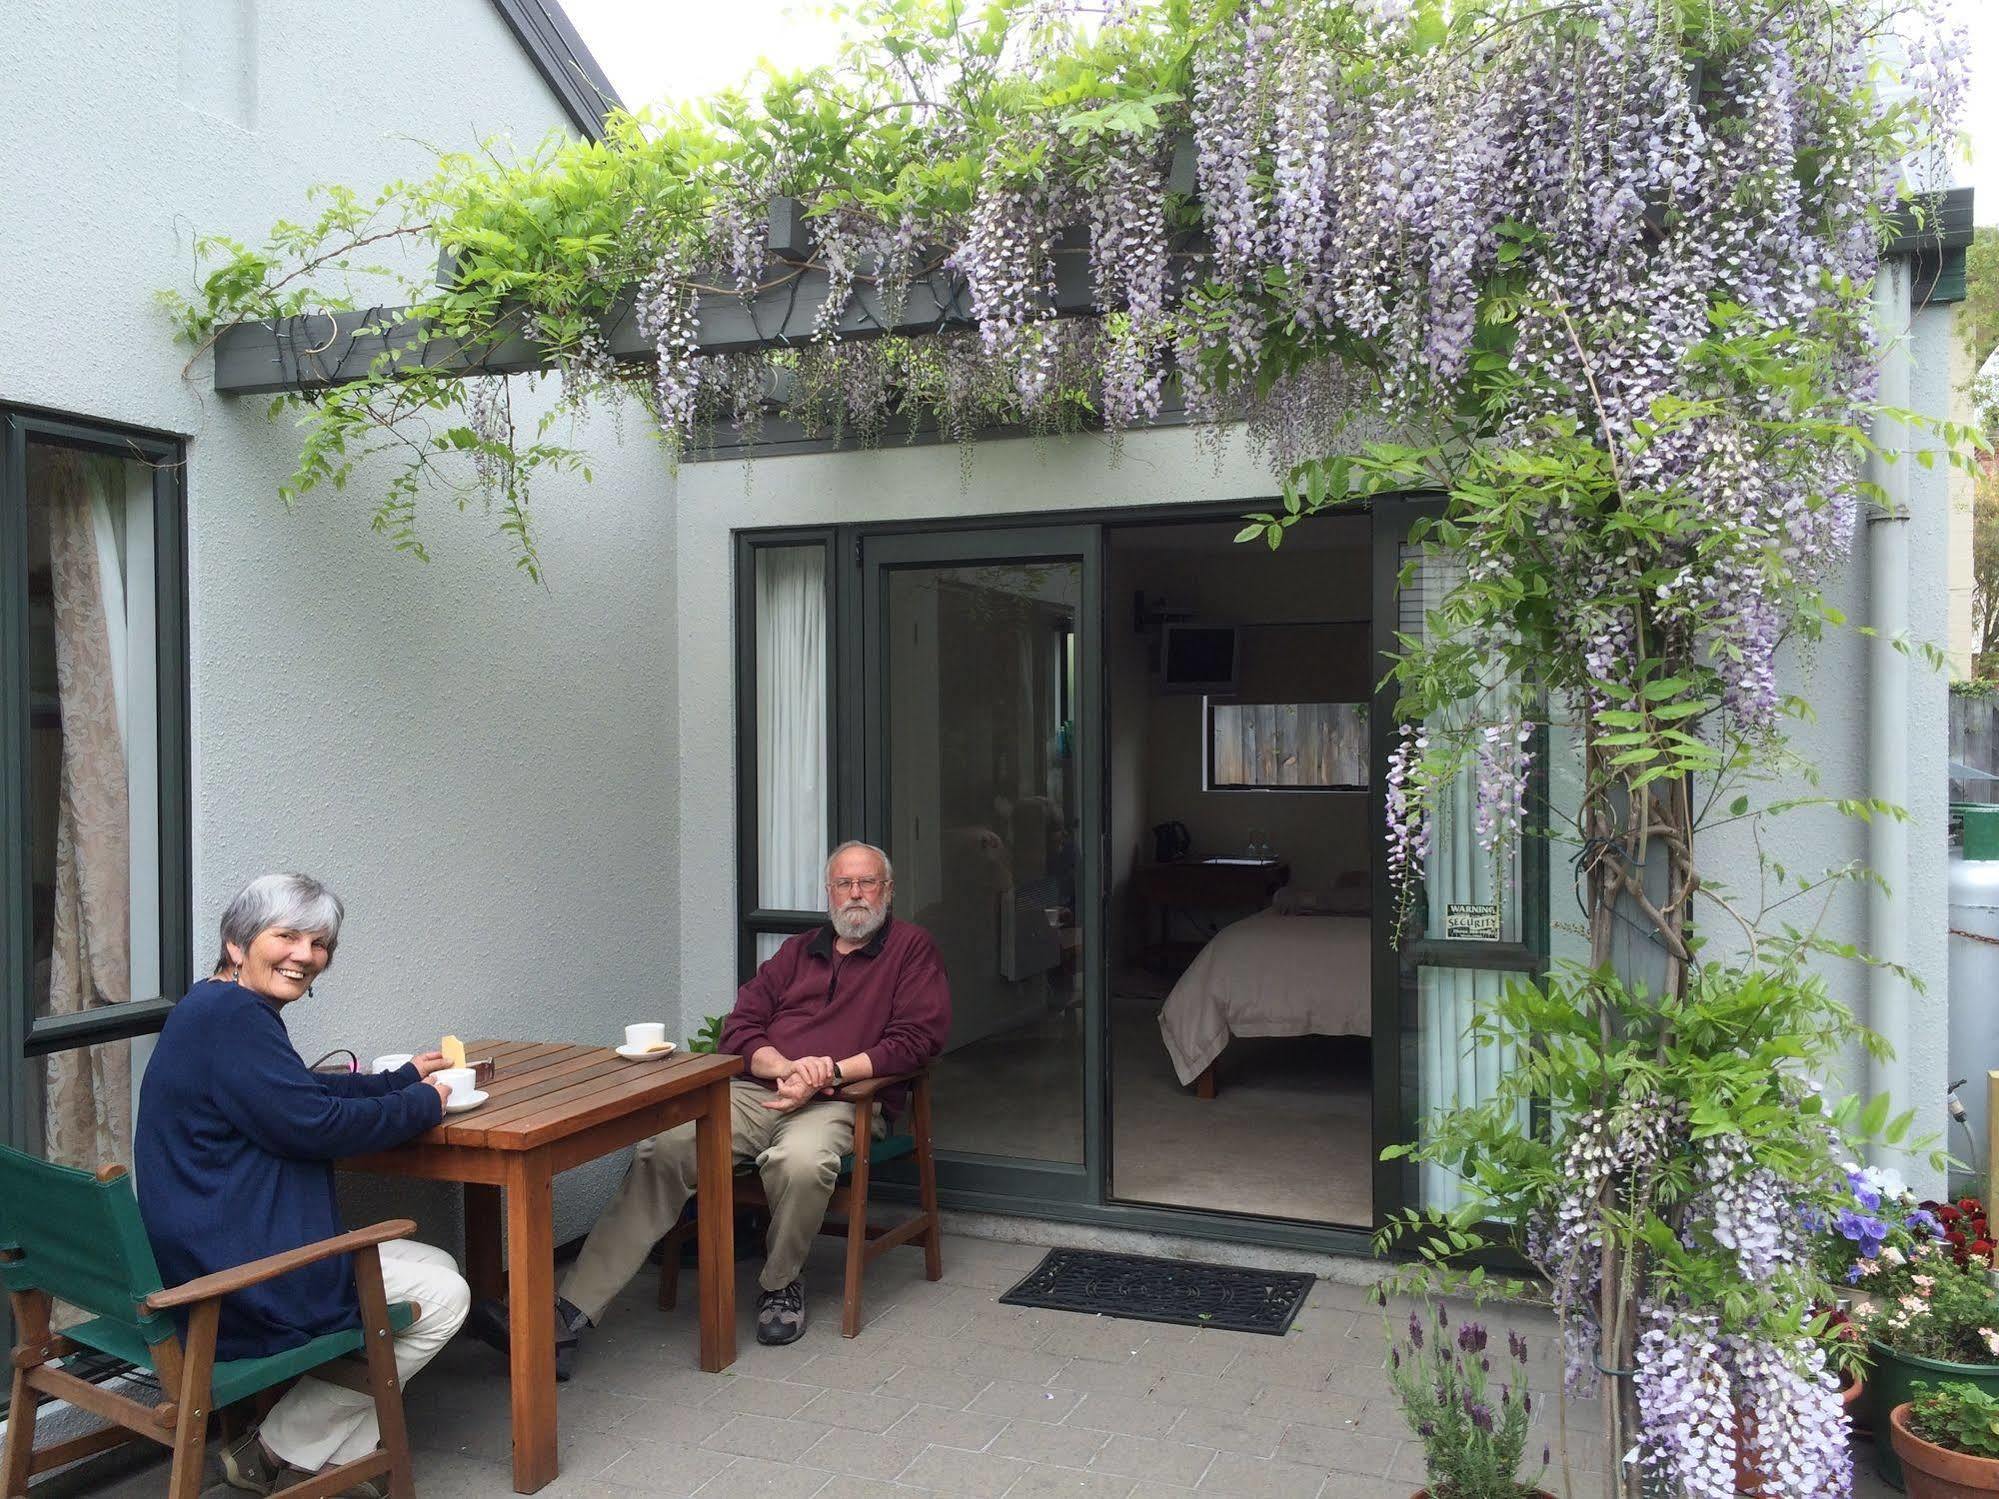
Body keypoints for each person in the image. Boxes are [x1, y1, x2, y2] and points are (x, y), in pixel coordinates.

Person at [470, 841, 950, 1368]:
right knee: (666, 1148)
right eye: (844, 883)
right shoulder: (797, 953)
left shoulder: (911, 949)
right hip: (759, 1090)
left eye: (867, 883)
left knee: (801, 1162)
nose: (856, 894)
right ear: (828, 892)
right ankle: (570, 1311)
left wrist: (827, 1072)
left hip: (843, 1099)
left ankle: (781, 1284)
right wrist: (781, 1066)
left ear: (888, 890)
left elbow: (916, 1040)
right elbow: (738, 1027)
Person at [135, 873, 470, 1498]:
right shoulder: (235, 1019)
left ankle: (334, 1450)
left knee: (437, 1263)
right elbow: (314, 1126)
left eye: (319, 944)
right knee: (446, 1296)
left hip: (206, 1250)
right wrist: (424, 1104)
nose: (305, 956)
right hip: (237, 1279)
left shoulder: (214, 1006)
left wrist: (397, 1081)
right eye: (286, 936)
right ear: (237, 944)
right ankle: (275, 1450)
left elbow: (297, 1092)